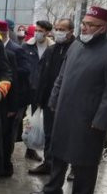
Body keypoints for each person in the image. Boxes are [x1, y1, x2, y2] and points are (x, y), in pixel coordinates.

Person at [30, 6, 107, 194]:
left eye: (91, 25)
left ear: (103, 28)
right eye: (84, 23)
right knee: (58, 153)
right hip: (64, 112)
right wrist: (54, 100)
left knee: (85, 161)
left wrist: (102, 120)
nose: (85, 28)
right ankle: (53, 190)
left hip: (89, 118)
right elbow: (61, 77)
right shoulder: (75, 46)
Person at [29, 18, 75, 175]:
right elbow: (42, 75)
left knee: (65, 136)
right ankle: (48, 163)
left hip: (67, 102)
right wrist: (40, 99)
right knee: (49, 134)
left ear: (71, 31)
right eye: (57, 28)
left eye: (62, 29)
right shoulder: (52, 50)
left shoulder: (76, 50)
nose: (58, 32)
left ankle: (67, 168)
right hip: (49, 100)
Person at [0, 20, 31, 177]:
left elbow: (26, 70)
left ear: (4, 34)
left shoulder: (16, 50)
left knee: (8, 133)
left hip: (13, 98)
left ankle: (5, 164)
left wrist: (10, 70)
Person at [22, 20, 54, 161]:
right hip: (27, 88)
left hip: (43, 89)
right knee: (26, 120)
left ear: (47, 32)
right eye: (37, 30)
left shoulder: (52, 48)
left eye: (41, 31)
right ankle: (28, 147)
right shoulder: (27, 45)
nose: (37, 33)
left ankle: (35, 147)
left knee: (40, 121)